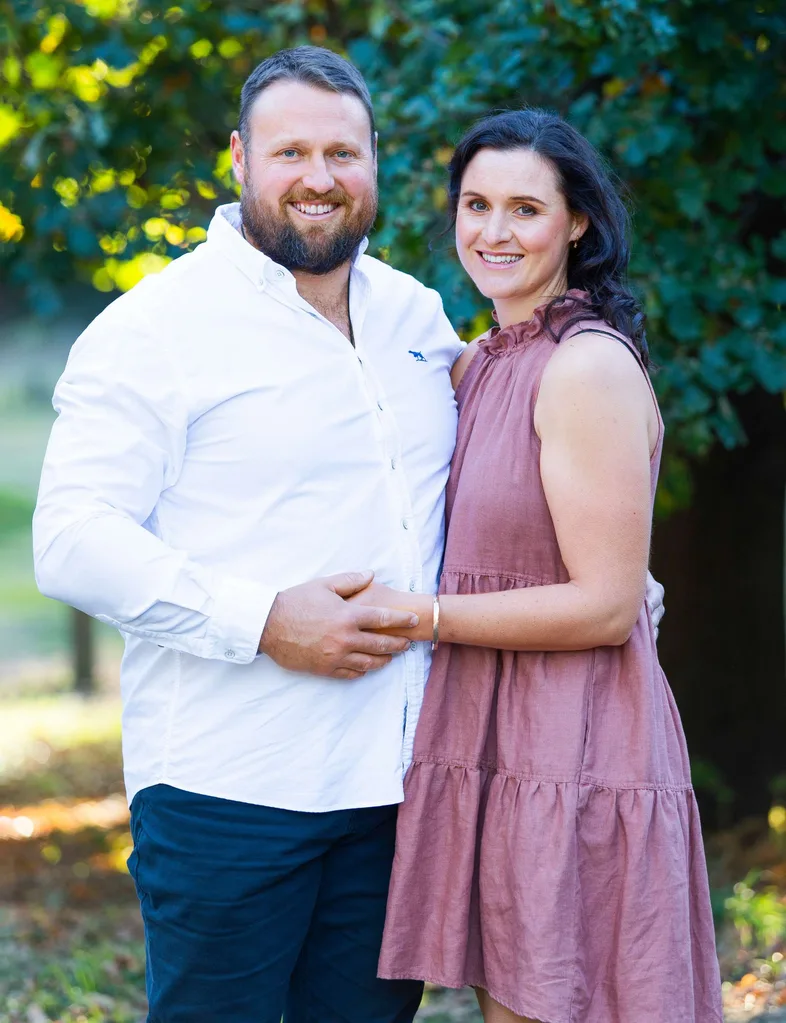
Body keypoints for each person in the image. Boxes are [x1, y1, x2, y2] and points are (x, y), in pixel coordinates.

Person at [32, 46, 665, 1023]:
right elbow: (72, 536)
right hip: (229, 789)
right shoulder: (156, 328)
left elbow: (513, 466)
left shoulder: (416, 316)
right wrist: (262, 619)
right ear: (240, 160)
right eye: (290, 152)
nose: (318, 177)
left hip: (394, 788)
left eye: (343, 151)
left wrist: (621, 580)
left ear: (376, 162)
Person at [350, 110, 723, 1022]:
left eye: (525, 208)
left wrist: (419, 614)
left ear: (578, 222)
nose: (494, 231)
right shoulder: (477, 365)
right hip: (492, 732)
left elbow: (603, 605)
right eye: (476, 205)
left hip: (578, 741)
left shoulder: (584, 368)